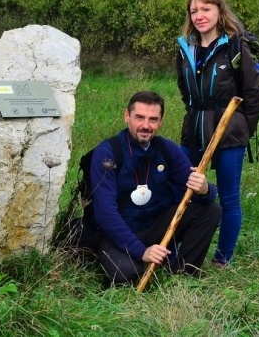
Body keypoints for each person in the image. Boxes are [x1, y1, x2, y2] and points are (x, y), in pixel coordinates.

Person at [91, 91, 221, 284]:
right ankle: (137, 258)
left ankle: (182, 273)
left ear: (160, 121)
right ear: (127, 116)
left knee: (210, 210)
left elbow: (197, 190)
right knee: (126, 274)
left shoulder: (167, 149)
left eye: (153, 119)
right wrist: (141, 251)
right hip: (118, 232)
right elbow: (105, 213)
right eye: (139, 118)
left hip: (156, 226)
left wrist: (206, 190)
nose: (145, 126)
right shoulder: (107, 153)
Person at [176, 0, 259, 267]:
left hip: (229, 131)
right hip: (194, 128)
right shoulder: (185, 48)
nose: (200, 16)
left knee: (228, 197)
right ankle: (181, 249)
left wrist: (242, 131)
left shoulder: (235, 47)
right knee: (183, 188)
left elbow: (252, 93)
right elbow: (183, 89)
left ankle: (222, 259)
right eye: (194, 11)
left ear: (218, 11)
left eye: (206, 9)